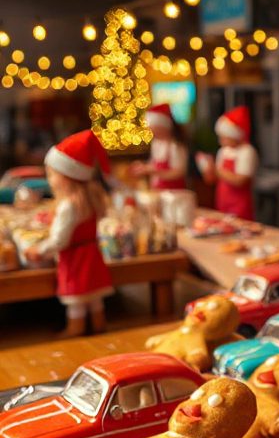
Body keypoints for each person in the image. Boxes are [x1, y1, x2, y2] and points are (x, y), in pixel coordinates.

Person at [27, 129, 113, 337]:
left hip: (75, 259)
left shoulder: (68, 206)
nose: (49, 180)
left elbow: (59, 240)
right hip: (91, 253)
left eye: (51, 174)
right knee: (93, 297)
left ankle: (75, 329)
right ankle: (99, 325)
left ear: (66, 177)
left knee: (77, 299)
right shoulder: (90, 200)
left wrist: (39, 250)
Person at [196, 105, 258, 220]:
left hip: (240, 206)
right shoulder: (223, 151)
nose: (220, 141)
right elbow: (212, 179)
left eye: (224, 138)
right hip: (222, 202)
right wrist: (206, 168)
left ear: (235, 135)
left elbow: (240, 180)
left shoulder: (247, 151)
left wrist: (215, 170)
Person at [130, 103, 188, 190]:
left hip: (174, 193)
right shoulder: (156, 143)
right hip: (158, 190)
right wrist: (144, 167)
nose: (152, 132)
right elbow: (155, 165)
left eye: (154, 129)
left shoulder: (175, 146)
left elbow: (179, 173)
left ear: (163, 127)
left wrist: (153, 171)